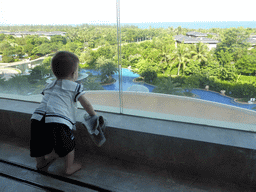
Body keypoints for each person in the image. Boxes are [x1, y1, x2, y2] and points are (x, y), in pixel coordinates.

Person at [30, 51, 96, 175]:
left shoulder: (49, 85)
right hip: (58, 121)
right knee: (68, 144)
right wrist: (94, 115)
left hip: (37, 118)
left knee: (38, 142)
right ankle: (69, 168)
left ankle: (40, 163)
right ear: (74, 74)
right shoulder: (75, 87)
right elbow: (86, 104)